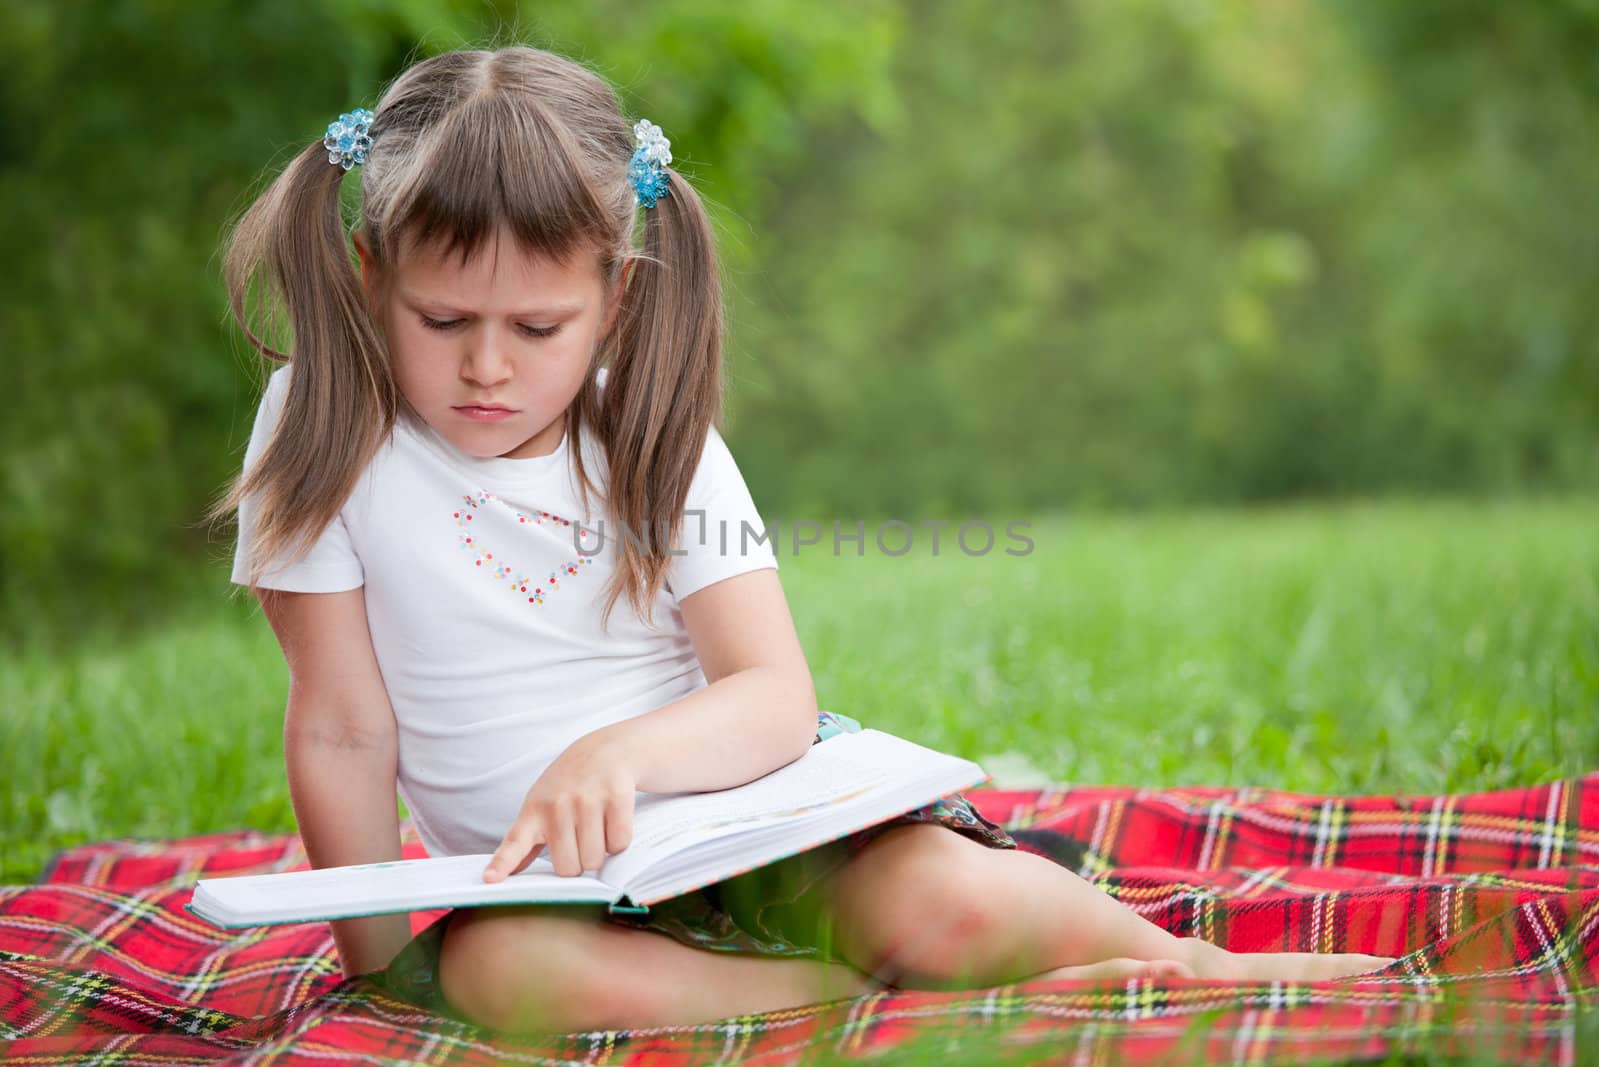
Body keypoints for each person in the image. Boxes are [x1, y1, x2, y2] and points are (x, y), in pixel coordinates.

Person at [211, 43, 1394, 1037]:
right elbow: (341, 721)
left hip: (754, 817)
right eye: (443, 320)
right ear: (371, 278)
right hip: (553, 892)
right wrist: (379, 974)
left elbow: (772, 696)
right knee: (497, 978)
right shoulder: (317, 431)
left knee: (941, 901)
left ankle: (1176, 964)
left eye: (536, 324)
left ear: (614, 299)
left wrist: (616, 755)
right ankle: (847, 1004)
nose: (486, 364)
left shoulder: (650, 431)